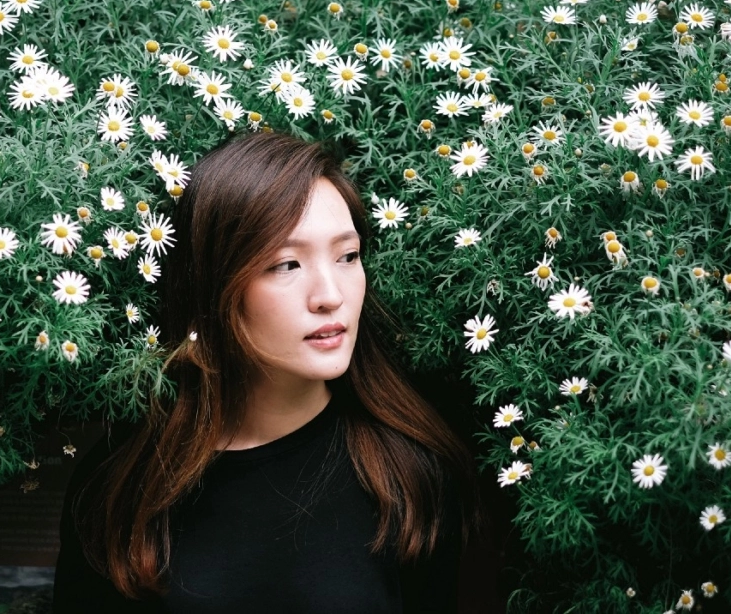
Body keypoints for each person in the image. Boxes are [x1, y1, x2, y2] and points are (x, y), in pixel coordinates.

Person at [52, 131, 487, 612]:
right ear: (216, 281)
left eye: (347, 256)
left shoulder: (409, 472)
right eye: (286, 264)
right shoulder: (121, 484)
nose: (330, 295)